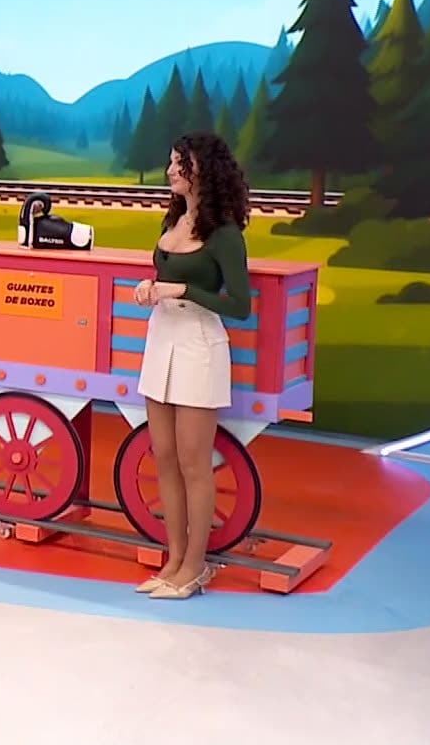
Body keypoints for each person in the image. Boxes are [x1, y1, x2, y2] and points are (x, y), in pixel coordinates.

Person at [132, 131, 252, 599]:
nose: (169, 171)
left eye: (178, 163)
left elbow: (239, 304)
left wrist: (183, 290)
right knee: (163, 456)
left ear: (202, 169)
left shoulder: (224, 235)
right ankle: (174, 560)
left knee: (193, 463)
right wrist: (152, 287)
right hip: (161, 340)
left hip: (199, 347)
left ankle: (195, 567)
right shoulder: (173, 220)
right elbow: (168, 274)